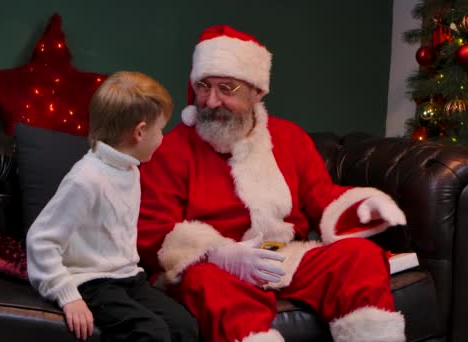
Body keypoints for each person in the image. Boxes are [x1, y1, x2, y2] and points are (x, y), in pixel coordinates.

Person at [138, 25, 406, 342]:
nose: (211, 101)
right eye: (203, 87)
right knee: (206, 283)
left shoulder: (289, 138)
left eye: (227, 88)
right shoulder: (170, 149)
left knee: (359, 256)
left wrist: (361, 204)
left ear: (257, 92)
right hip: (216, 267)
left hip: (282, 257)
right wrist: (219, 254)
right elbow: (152, 228)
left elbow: (320, 196)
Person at [26, 71, 199, 342]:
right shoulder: (86, 178)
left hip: (127, 278)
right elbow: (40, 240)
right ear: (140, 132)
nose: (162, 137)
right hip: (90, 282)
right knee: (149, 333)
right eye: (160, 129)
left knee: (184, 326)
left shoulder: (130, 170)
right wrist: (67, 295)